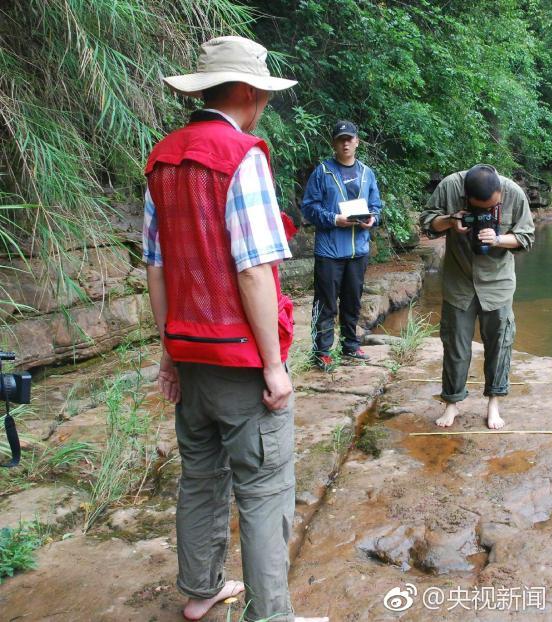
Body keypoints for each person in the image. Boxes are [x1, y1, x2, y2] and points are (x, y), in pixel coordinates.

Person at [143, 36, 326, 622]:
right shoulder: (240, 155)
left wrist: (168, 351)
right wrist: (274, 365)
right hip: (240, 362)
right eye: (264, 94)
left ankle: (200, 592)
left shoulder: (163, 157)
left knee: (200, 475)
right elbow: (253, 269)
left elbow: (156, 264)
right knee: (265, 487)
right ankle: (271, 615)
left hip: (189, 354)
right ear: (249, 93)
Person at [419, 165, 535, 429]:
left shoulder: (514, 193)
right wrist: (450, 221)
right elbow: (427, 223)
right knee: (456, 345)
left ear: (499, 192)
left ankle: (493, 403)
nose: (486, 212)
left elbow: (526, 237)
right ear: (466, 197)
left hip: (498, 282)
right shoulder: (450, 187)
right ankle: (452, 403)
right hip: (458, 280)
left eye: (493, 206)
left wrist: (498, 239)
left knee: (499, 343)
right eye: (479, 209)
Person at [300, 121, 383, 369]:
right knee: (326, 301)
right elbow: (309, 208)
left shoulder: (367, 173)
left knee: (352, 300)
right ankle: (322, 351)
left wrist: (373, 219)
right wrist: (335, 219)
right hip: (330, 251)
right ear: (334, 143)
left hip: (358, 250)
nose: (345, 143)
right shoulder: (322, 172)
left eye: (350, 139)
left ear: (357, 141)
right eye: (340, 139)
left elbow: (376, 205)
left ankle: (350, 345)